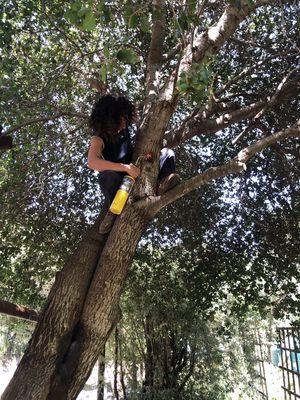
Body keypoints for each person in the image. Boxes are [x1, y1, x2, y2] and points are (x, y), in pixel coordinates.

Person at [87, 94, 180, 233]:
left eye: (125, 118)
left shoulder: (124, 127)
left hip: (137, 170)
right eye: (121, 119)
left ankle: (163, 183)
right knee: (107, 176)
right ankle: (113, 212)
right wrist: (125, 168)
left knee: (168, 153)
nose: (125, 123)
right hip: (119, 181)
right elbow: (92, 162)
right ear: (110, 119)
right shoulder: (98, 138)